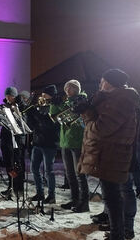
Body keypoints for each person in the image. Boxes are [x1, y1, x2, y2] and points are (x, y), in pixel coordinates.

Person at [78, 69, 139, 240]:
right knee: (112, 196)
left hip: (113, 155)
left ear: (110, 83)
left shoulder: (121, 101)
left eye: (102, 80)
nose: (100, 84)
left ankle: (119, 234)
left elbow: (101, 129)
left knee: (114, 197)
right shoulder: (112, 99)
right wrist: (88, 108)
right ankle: (117, 232)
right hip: (108, 154)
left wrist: (87, 114)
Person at [58, 80, 90, 212]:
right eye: (66, 88)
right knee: (70, 174)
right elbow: (55, 115)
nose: (67, 91)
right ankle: (75, 199)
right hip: (65, 141)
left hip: (77, 142)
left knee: (80, 174)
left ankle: (84, 203)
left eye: (70, 88)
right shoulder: (66, 102)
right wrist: (55, 103)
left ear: (77, 89)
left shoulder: (82, 101)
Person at [26, 85, 61, 204]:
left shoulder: (55, 107)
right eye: (43, 94)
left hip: (49, 143)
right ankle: (40, 193)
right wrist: (29, 115)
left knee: (48, 171)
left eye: (45, 94)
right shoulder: (39, 107)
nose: (42, 96)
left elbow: (48, 124)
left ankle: (51, 196)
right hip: (37, 142)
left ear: (51, 95)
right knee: (34, 168)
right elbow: (33, 125)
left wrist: (35, 114)